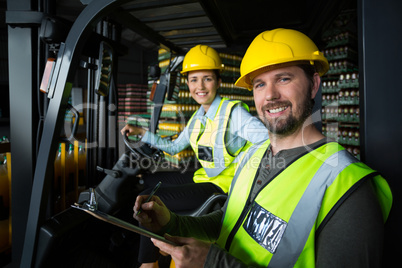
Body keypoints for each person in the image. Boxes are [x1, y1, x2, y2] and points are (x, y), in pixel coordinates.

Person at [133, 28, 393, 268]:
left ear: (314, 84)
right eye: (260, 84)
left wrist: (214, 263)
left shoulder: (348, 188)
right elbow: (229, 222)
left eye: (283, 78)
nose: (270, 95)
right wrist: (174, 222)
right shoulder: (253, 156)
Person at [121, 44, 269, 267]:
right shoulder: (198, 118)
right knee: (146, 181)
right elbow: (173, 147)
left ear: (218, 82)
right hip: (204, 176)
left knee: (149, 199)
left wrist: (243, 166)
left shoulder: (232, 112)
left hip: (224, 187)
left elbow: (268, 139)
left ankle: (148, 263)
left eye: (207, 78)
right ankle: (160, 242)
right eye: (193, 79)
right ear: (187, 84)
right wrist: (143, 133)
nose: (200, 86)